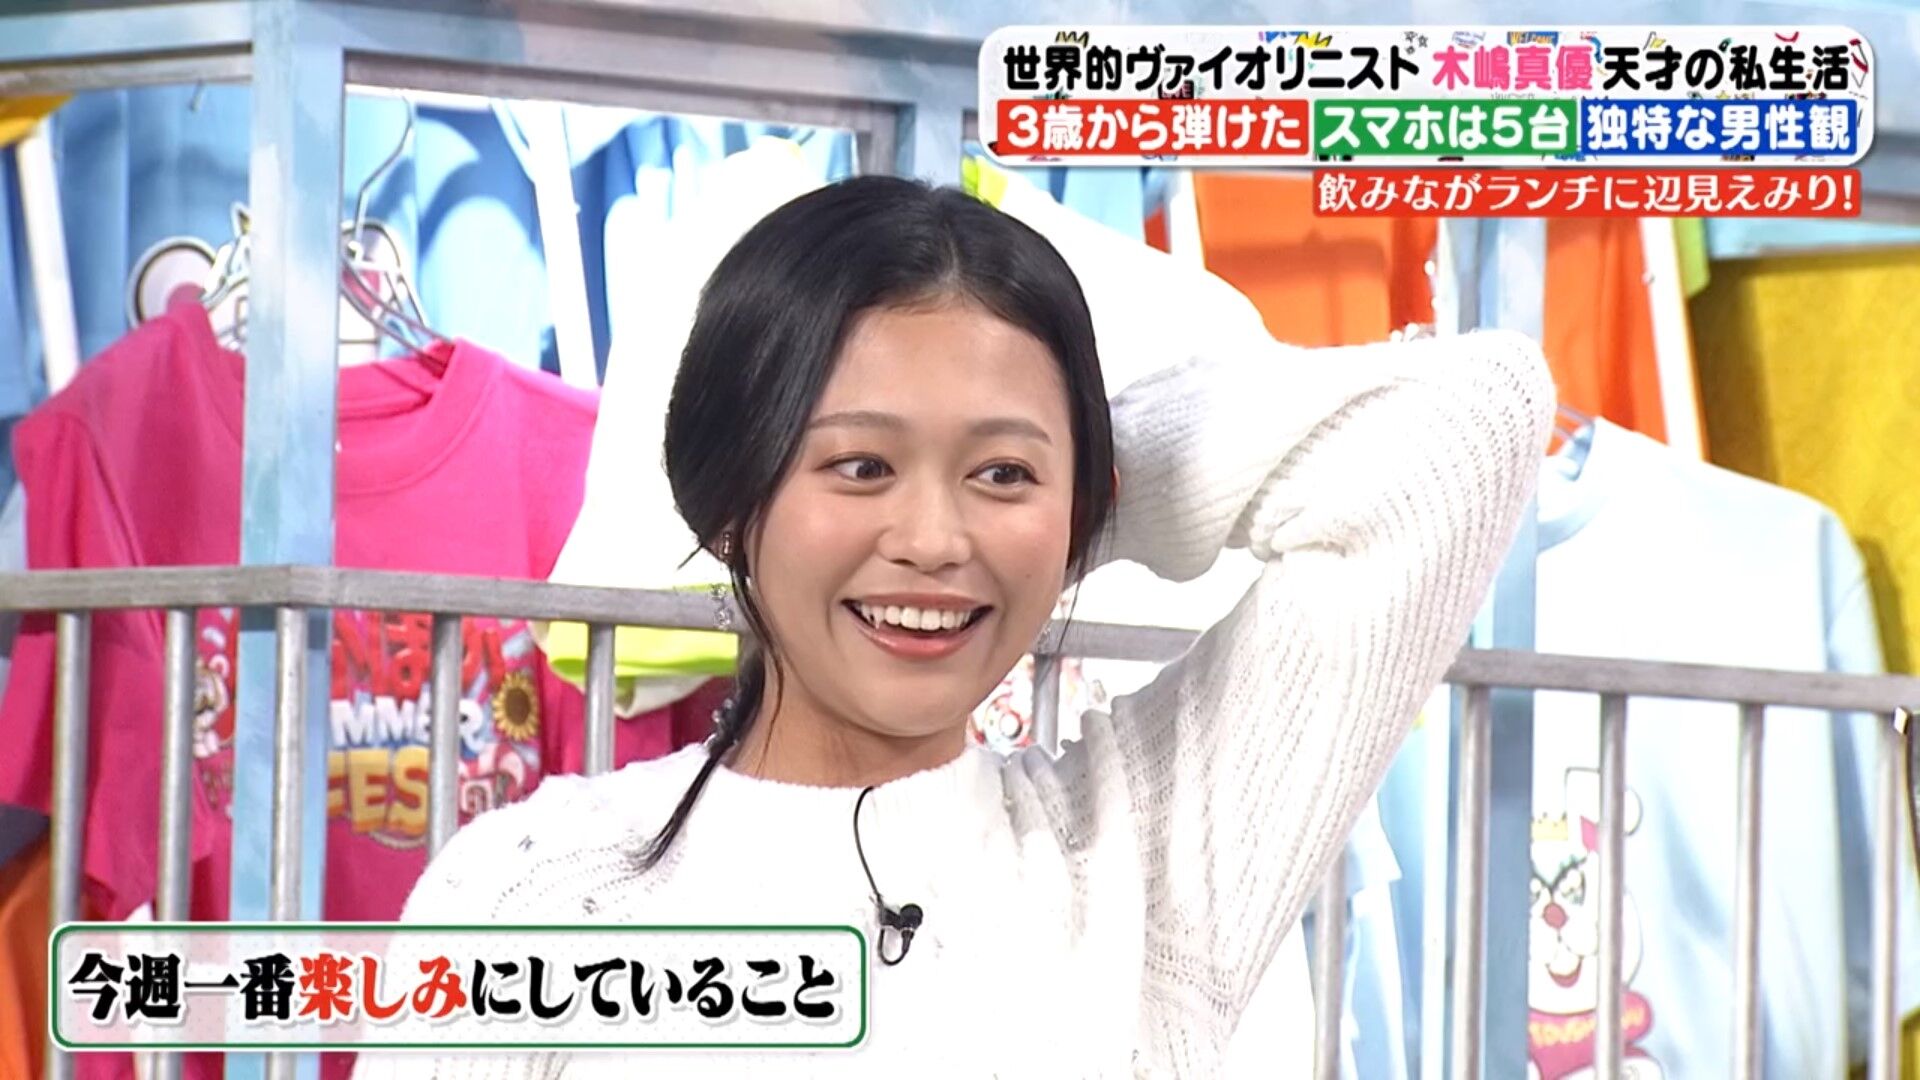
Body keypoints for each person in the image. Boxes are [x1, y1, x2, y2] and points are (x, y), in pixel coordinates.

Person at [353, 174, 1554, 1078]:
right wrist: (1026, 476)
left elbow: (1470, 425)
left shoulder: (1147, 858)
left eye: (998, 477)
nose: (934, 539)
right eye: (862, 466)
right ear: (728, 505)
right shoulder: (532, 895)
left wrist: (1082, 487)